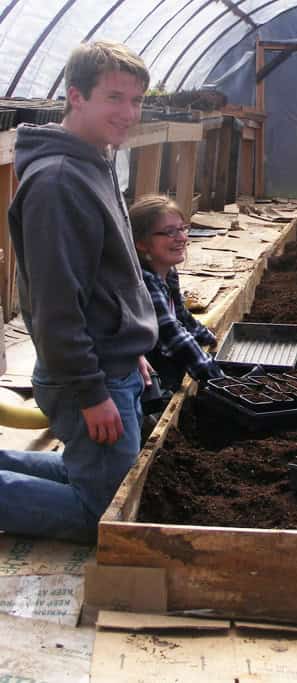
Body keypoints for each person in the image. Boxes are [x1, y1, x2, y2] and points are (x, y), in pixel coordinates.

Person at [2, 41, 158, 543]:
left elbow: (113, 275)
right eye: (114, 98)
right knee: (104, 517)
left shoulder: (95, 159)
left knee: (102, 484)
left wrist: (131, 344)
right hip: (85, 375)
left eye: (135, 101)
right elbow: (54, 308)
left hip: (112, 362)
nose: (128, 113)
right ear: (76, 96)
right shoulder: (58, 181)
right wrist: (91, 392)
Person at [129, 194, 224, 392]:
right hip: (146, 379)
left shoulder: (168, 272)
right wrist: (219, 381)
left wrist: (211, 339)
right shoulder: (143, 281)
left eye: (182, 228)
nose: (182, 238)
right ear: (141, 243)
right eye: (169, 232)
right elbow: (172, 335)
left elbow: (182, 316)